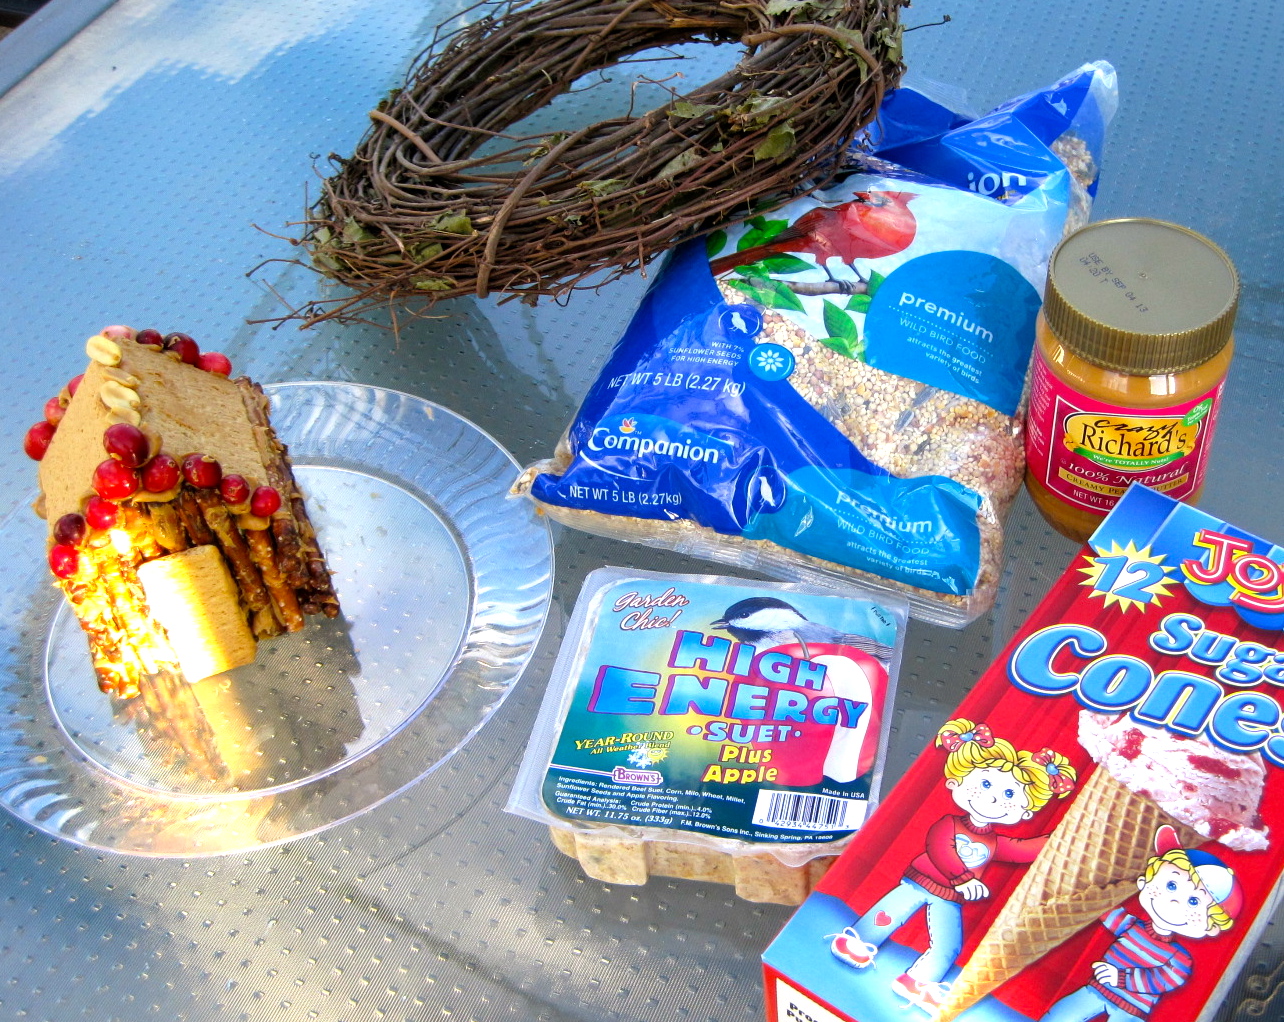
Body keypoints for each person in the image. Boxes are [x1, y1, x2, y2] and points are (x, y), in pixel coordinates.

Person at [827, 718, 1077, 1011]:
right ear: (955, 782)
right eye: (985, 783)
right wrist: (963, 879)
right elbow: (940, 849)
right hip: (920, 881)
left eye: (1010, 794)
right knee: (889, 914)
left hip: (950, 898)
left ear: (1024, 813)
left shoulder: (994, 841)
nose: (993, 797)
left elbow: (1024, 850)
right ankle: (857, 942)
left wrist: (1062, 836)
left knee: (949, 945)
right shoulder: (949, 823)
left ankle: (919, 981)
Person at [1037, 824, 1241, 1021]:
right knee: (1059, 1016)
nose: (1175, 901)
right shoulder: (1132, 927)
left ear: (1209, 927)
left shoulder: (1180, 958)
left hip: (1132, 1012)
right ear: (1144, 882)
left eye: (1194, 901)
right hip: (1096, 990)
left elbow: (1163, 980)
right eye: (1171, 885)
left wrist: (1120, 978)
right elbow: (1107, 913)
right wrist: (1089, 896)